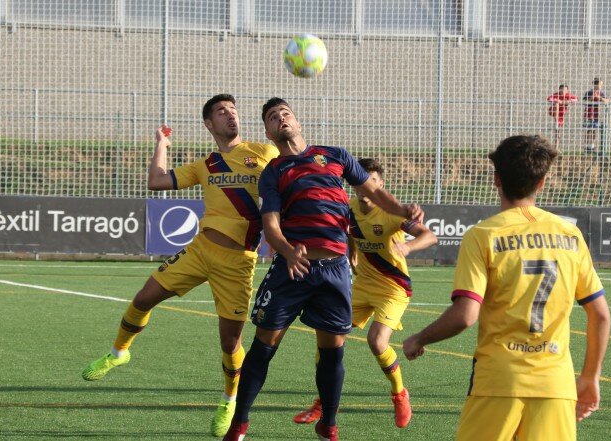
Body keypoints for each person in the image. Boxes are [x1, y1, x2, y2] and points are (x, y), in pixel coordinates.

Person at [223, 98, 424, 441]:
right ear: (269, 132)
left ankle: (328, 425)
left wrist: (402, 209)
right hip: (292, 270)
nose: (280, 118)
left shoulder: (335, 155)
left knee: (332, 352)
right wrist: (287, 251)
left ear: (297, 123)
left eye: (285, 113)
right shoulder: (274, 172)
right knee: (263, 348)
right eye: (272, 117)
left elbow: (373, 190)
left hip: (334, 272)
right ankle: (239, 425)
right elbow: (270, 225)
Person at [81, 94, 279, 437]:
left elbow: (287, 182)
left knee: (230, 344)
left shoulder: (264, 153)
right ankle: (118, 352)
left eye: (233, 110)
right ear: (209, 124)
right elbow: (156, 180)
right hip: (200, 250)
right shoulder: (205, 165)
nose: (230, 115)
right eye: (221, 112)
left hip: (238, 263)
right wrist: (163, 143)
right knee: (143, 298)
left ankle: (229, 400)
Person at [402, 135, 611, 441]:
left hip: (498, 381)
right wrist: (591, 377)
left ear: (496, 179)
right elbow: (601, 315)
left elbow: (465, 315)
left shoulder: (483, 236)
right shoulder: (570, 234)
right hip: (555, 384)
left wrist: (420, 338)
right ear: (542, 183)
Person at [292, 158, 437, 429]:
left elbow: (429, 236)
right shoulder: (349, 210)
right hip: (361, 287)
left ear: (380, 185)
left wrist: (408, 248)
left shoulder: (391, 214)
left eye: (372, 181)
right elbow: (350, 235)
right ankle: (323, 401)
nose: (365, 186)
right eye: (361, 180)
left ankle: (399, 394)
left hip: (393, 289)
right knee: (327, 339)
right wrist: (353, 256)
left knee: (377, 342)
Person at [582, 78, 610, 152]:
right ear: (595, 85)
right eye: (599, 85)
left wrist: (600, 98)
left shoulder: (601, 93)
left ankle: (592, 146)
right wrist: (592, 98)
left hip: (596, 114)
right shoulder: (589, 92)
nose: (600, 86)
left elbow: (607, 100)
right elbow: (584, 100)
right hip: (588, 114)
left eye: (601, 85)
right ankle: (586, 146)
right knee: (588, 129)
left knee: (594, 129)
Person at [547, 84, 578, 149]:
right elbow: (549, 98)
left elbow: (576, 99)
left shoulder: (568, 95)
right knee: (557, 104)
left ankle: (556, 147)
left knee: (558, 131)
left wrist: (567, 101)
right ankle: (556, 121)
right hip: (553, 111)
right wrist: (557, 100)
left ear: (567, 90)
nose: (563, 91)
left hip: (561, 114)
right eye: (562, 89)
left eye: (565, 90)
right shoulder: (556, 94)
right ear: (559, 89)